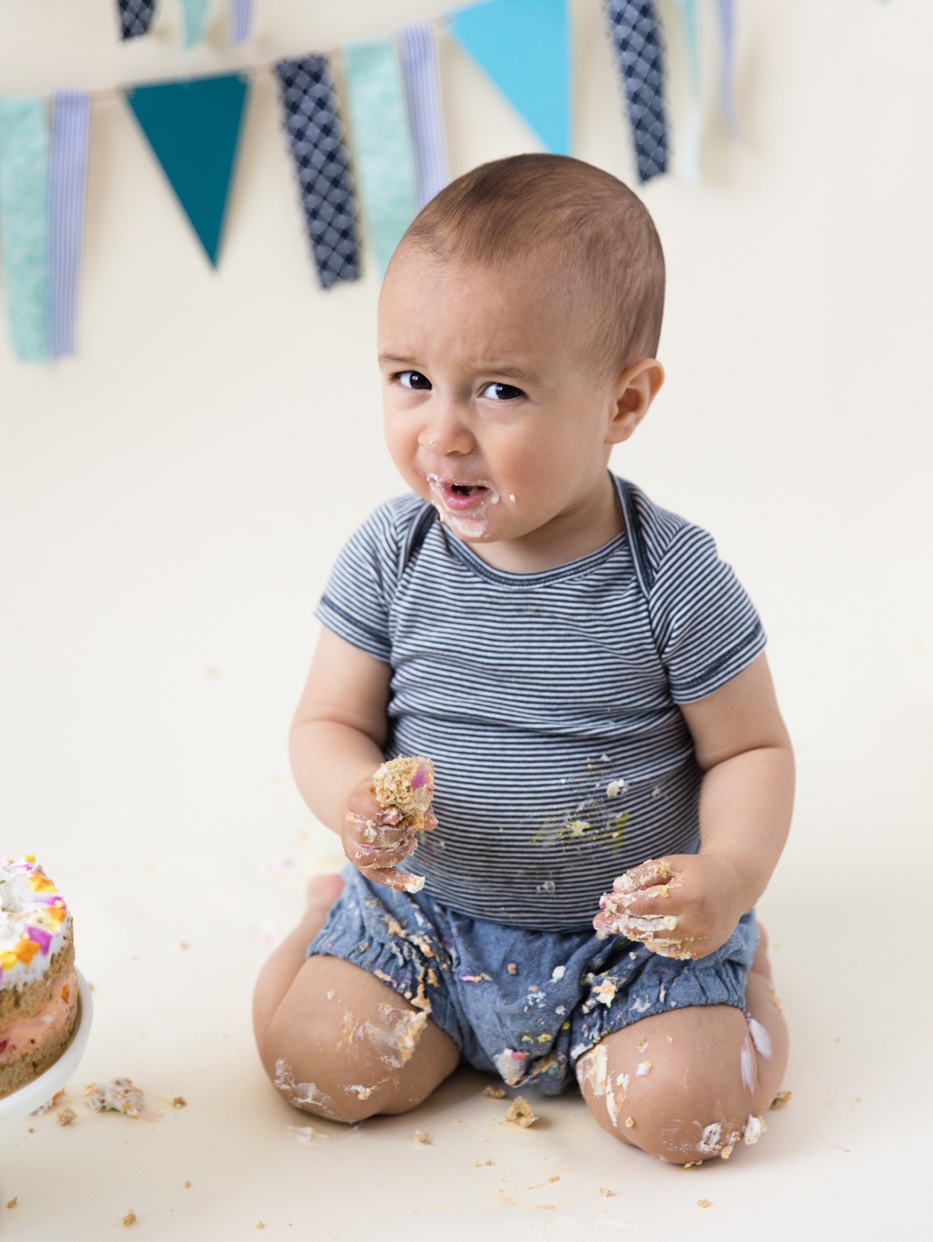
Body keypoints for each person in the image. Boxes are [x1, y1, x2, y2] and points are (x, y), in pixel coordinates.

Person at [252, 154, 793, 1165]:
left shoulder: (670, 576)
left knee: (690, 1113)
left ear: (623, 404)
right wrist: (349, 801)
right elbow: (327, 720)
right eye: (411, 379)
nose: (442, 433)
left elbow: (751, 749)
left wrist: (725, 874)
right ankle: (324, 916)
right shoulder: (390, 554)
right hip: (426, 918)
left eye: (500, 390)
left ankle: (743, 968)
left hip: (629, 941)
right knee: (314, 1064)